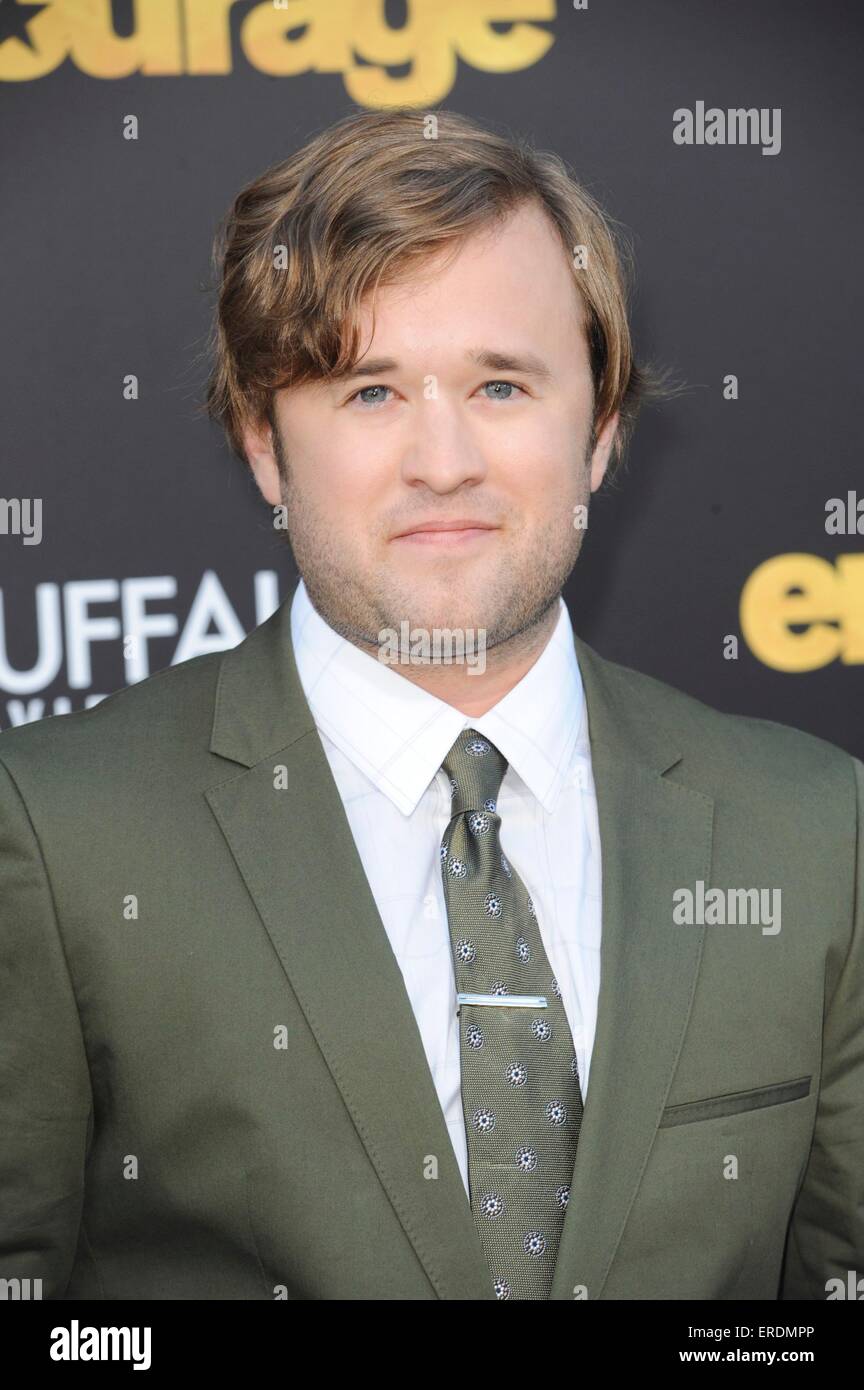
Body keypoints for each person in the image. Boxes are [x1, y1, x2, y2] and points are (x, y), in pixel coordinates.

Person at [1, 108, 861, 1302]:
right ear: (262, 441)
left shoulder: (817, 830)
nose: (443, 460)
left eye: (501, 384)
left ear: (602, 428)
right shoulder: (56, 833)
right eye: (369, 392)